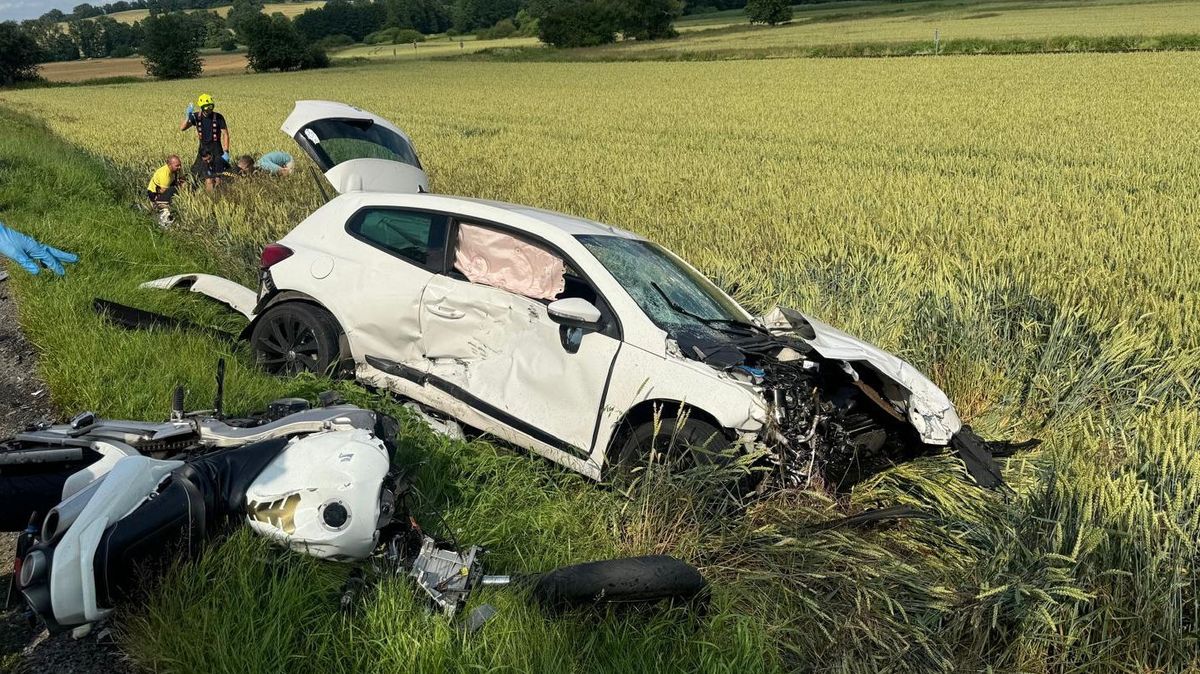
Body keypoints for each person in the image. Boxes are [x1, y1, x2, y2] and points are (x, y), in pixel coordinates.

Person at [180, 93, 230, 185]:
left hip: (217, 149)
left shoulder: (219, 117)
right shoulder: (196, 117)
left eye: (211, 106)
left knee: (218, 176)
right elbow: (182, 128)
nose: (209, 109)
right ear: (202, 107)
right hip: (203, 150)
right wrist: (188, 116)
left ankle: (219, 193)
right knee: (198, 174)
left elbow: (225, 134)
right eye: (206, 107)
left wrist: (226, 151)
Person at [0, 220, 78, 276]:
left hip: (7, 242)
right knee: (41, 251)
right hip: (9, 239)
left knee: (40, 252)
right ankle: (72, 261)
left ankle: (73, 261)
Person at [147, 154, 182, 226]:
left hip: (167, 189)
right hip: (154, 193)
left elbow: (182, 180)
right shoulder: (164, 174)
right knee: (174, 190)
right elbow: (163, 191)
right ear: (169, 165)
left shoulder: (176, 170)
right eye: (177, 166)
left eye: (180, 165)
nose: (179, 167)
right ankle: (162, 218)